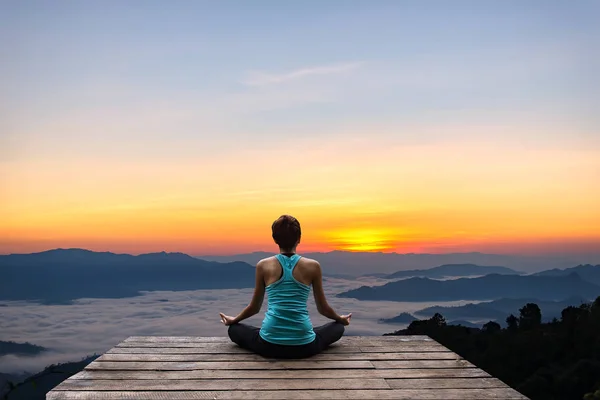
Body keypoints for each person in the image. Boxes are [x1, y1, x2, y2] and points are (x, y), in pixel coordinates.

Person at [219, 214, 352, 359]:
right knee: (337, 327)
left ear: (275, 239)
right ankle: (300, 333)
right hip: (305, 347)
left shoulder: (263, 265)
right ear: (299, 238)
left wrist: (234, 320)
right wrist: (340, 319)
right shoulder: (313, 266)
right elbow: (323, 309)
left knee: (235, 330)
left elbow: (254, 308)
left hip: (269, 346)